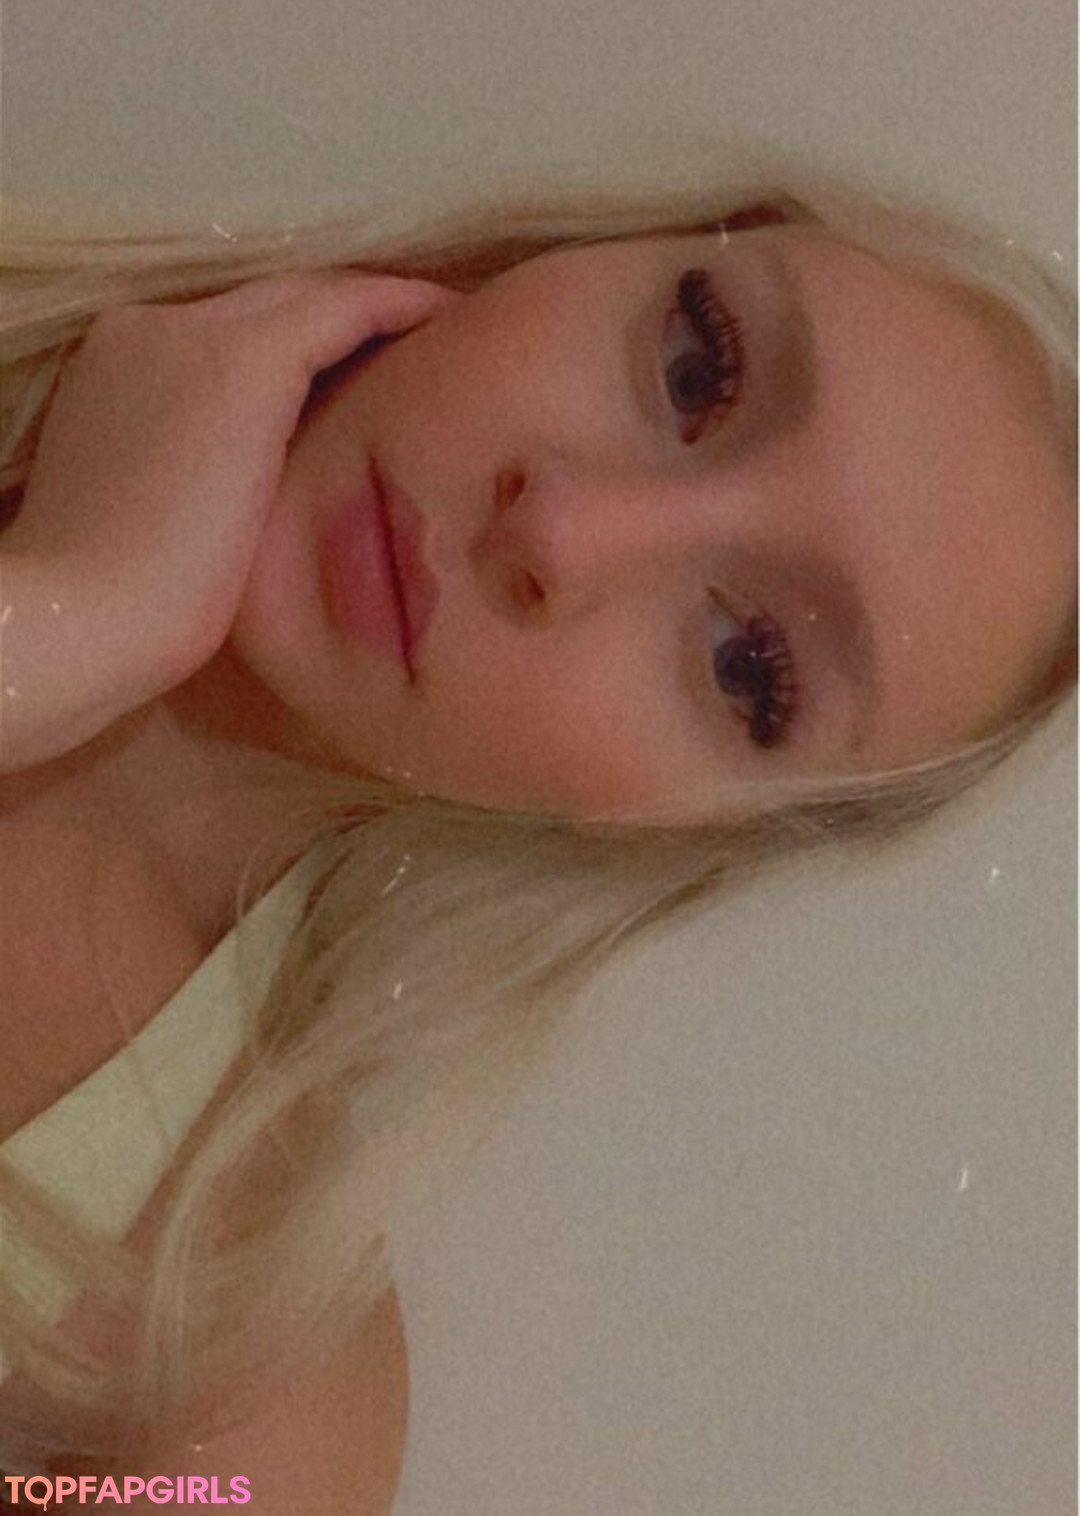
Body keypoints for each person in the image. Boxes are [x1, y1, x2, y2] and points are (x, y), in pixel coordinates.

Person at [0, 161, 1074, 1511]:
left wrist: (66, 627)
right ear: (567, 252)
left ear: (674, 833)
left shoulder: (236, 1394)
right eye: (695, 365)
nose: (561, 530)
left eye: (747, 668)